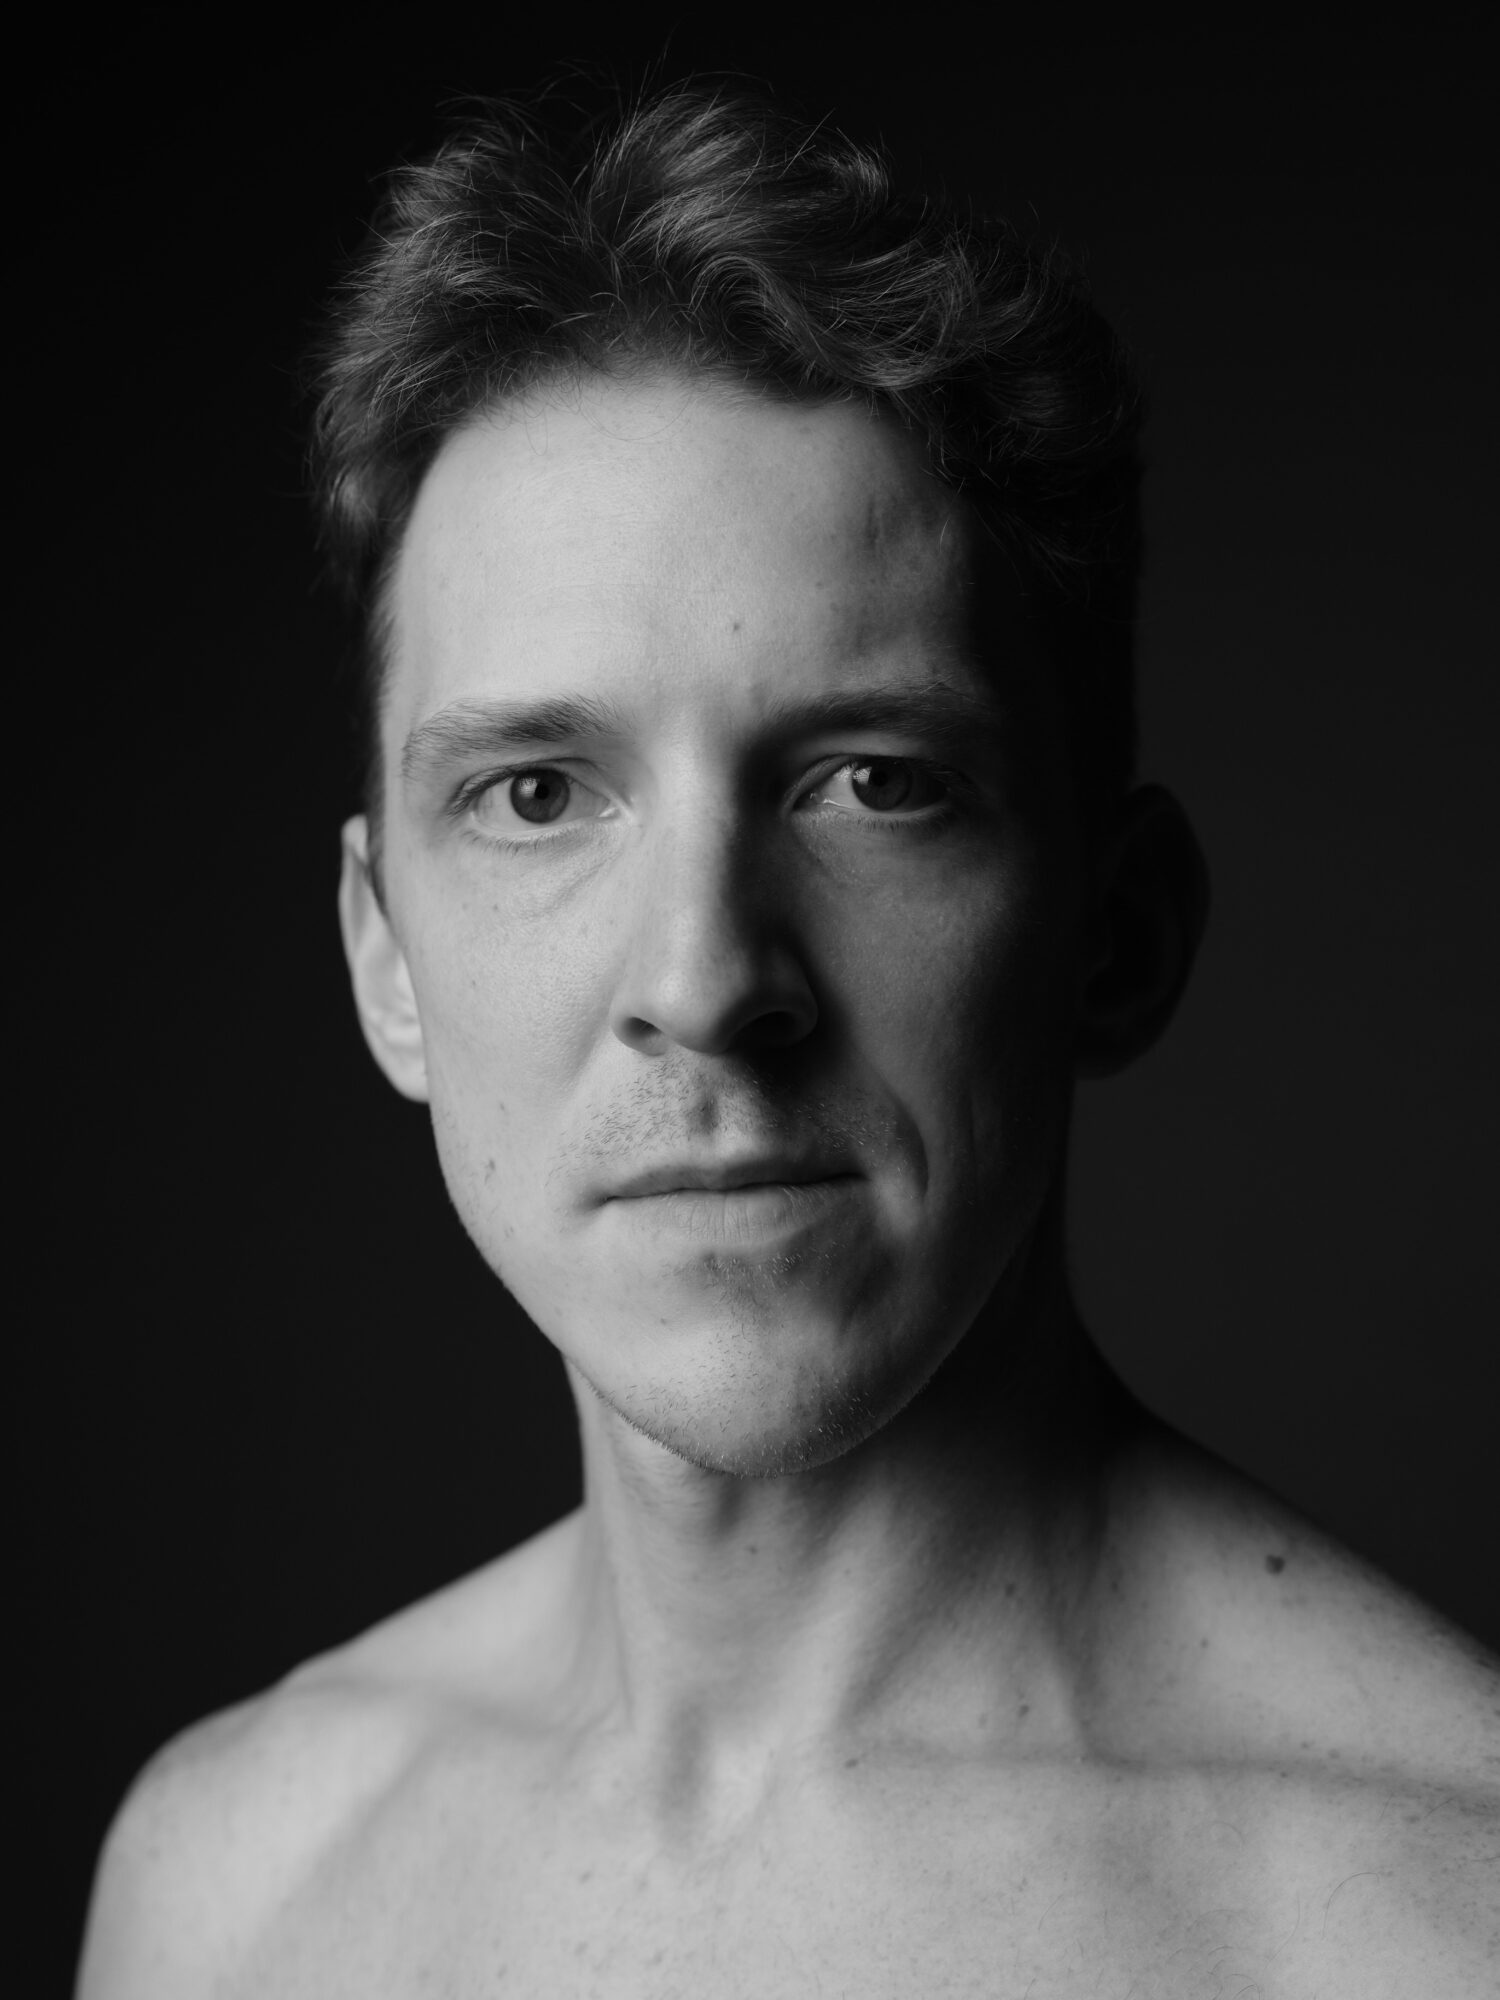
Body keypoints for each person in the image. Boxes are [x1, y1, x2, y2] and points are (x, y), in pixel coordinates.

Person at [77, 82, 1496, 1997]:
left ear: (1118, 934)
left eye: (870, 781)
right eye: (534, 794)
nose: (704, 976)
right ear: (384, 960)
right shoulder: (226, 1888)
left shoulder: (1433, 1915)